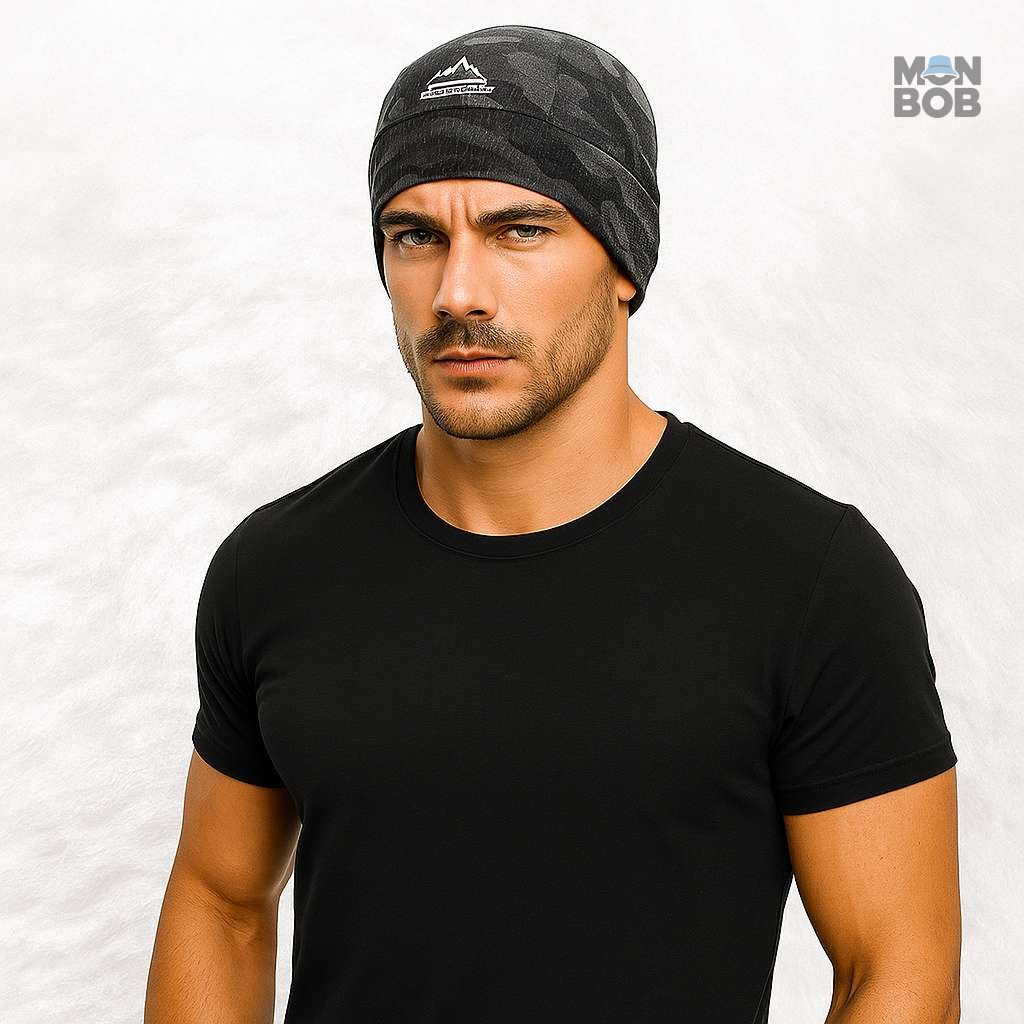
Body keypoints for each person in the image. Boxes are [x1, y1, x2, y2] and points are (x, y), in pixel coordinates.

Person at [145, 23, 961, 1024]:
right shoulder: (276, 567)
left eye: (520, 229)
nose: (457, 293)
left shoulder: (809, 579)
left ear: (624, 260)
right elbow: (222, 901)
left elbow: (895, 968)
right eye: (416, 235)